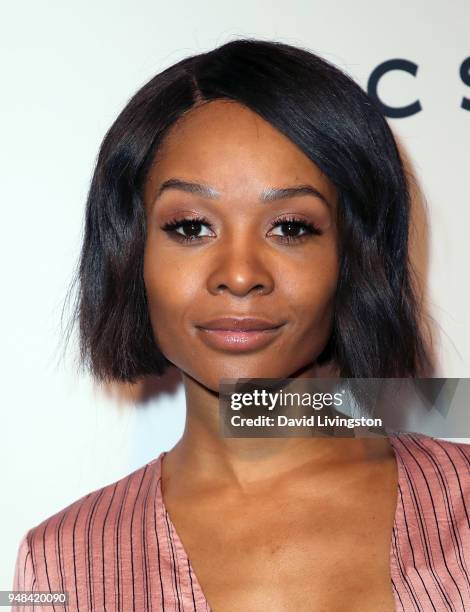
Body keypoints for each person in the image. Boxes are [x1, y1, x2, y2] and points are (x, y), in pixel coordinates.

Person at [13, 38, 470, 611]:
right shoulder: (60, 562)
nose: (239, 274)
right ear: (131, 253)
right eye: (190, 227)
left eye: (291, 227)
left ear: (354, 254)